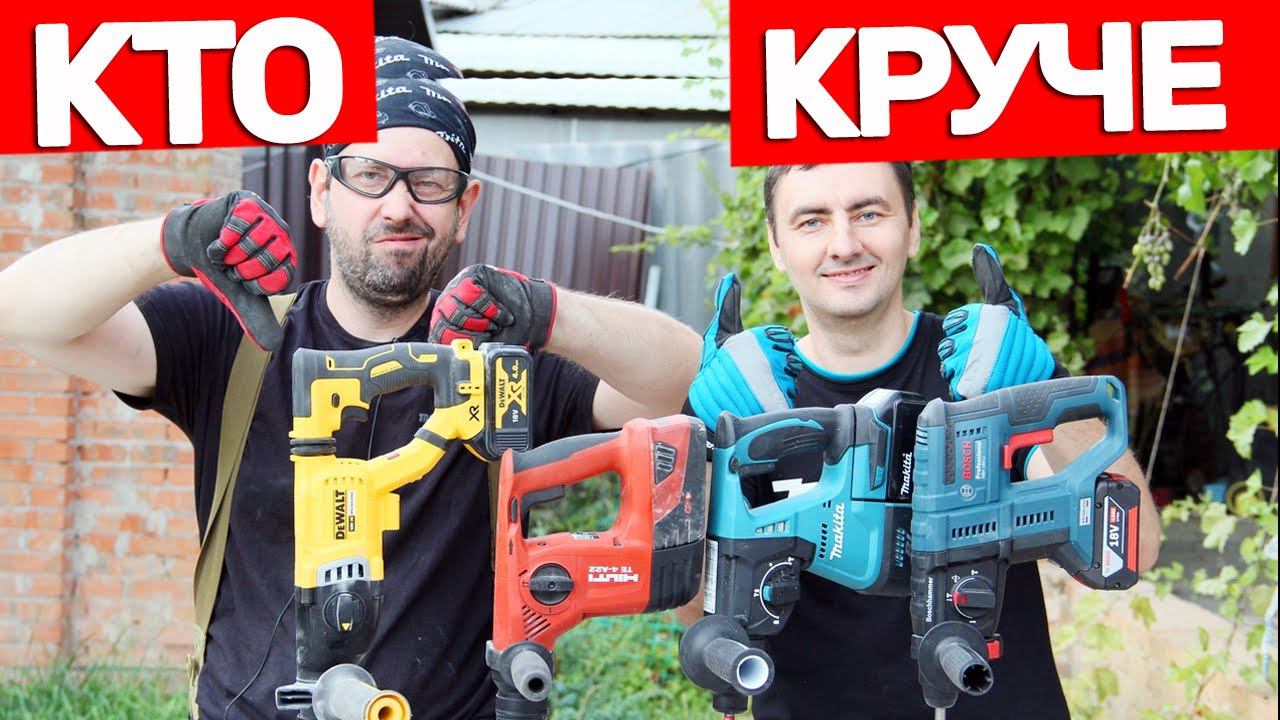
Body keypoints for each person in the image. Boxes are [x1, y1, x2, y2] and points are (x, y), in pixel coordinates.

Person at [0, 39, 699, 720]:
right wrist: (172, 240)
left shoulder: (502, 366)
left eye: (430, 183)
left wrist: (548, 311)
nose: (398, 206)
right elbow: (22, 313)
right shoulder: (233, 340)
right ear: (320, 191)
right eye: (368, 174)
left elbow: (683, 378)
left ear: (464, 209)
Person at [683, 161, 1161, 719]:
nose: (844, 245)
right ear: (776, 245)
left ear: (912, 227)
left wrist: (1039, 387)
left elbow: (1135, 548)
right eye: (812, 221)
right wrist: (714, 456)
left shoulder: (989, 366)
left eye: (869, 214)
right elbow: (694, 614)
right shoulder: (742, 397)